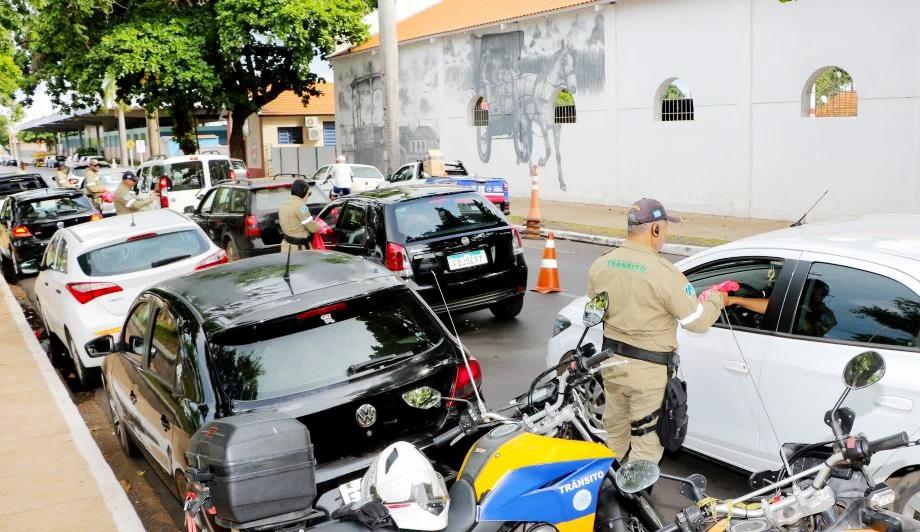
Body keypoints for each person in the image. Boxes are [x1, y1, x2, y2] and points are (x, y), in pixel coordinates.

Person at [587, 198, 727, 464]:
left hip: (612, 367)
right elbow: (696, 322)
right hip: (647, 376)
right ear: (654, 230)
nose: (665, 234)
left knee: (613, 438)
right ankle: (632, 503)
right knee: (645, 449)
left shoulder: (602, 264)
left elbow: (596, 306)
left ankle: (597, 496)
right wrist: (717, 299)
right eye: (664, 228)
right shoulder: (664, 273)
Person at [279, 178, 320, 253]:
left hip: (286, 247)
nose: (308, 196)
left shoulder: (283, 205)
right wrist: (319, 225)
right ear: (304, 191)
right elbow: (313, 228)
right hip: (300, 250)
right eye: (309, 193)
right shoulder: (302, 207)